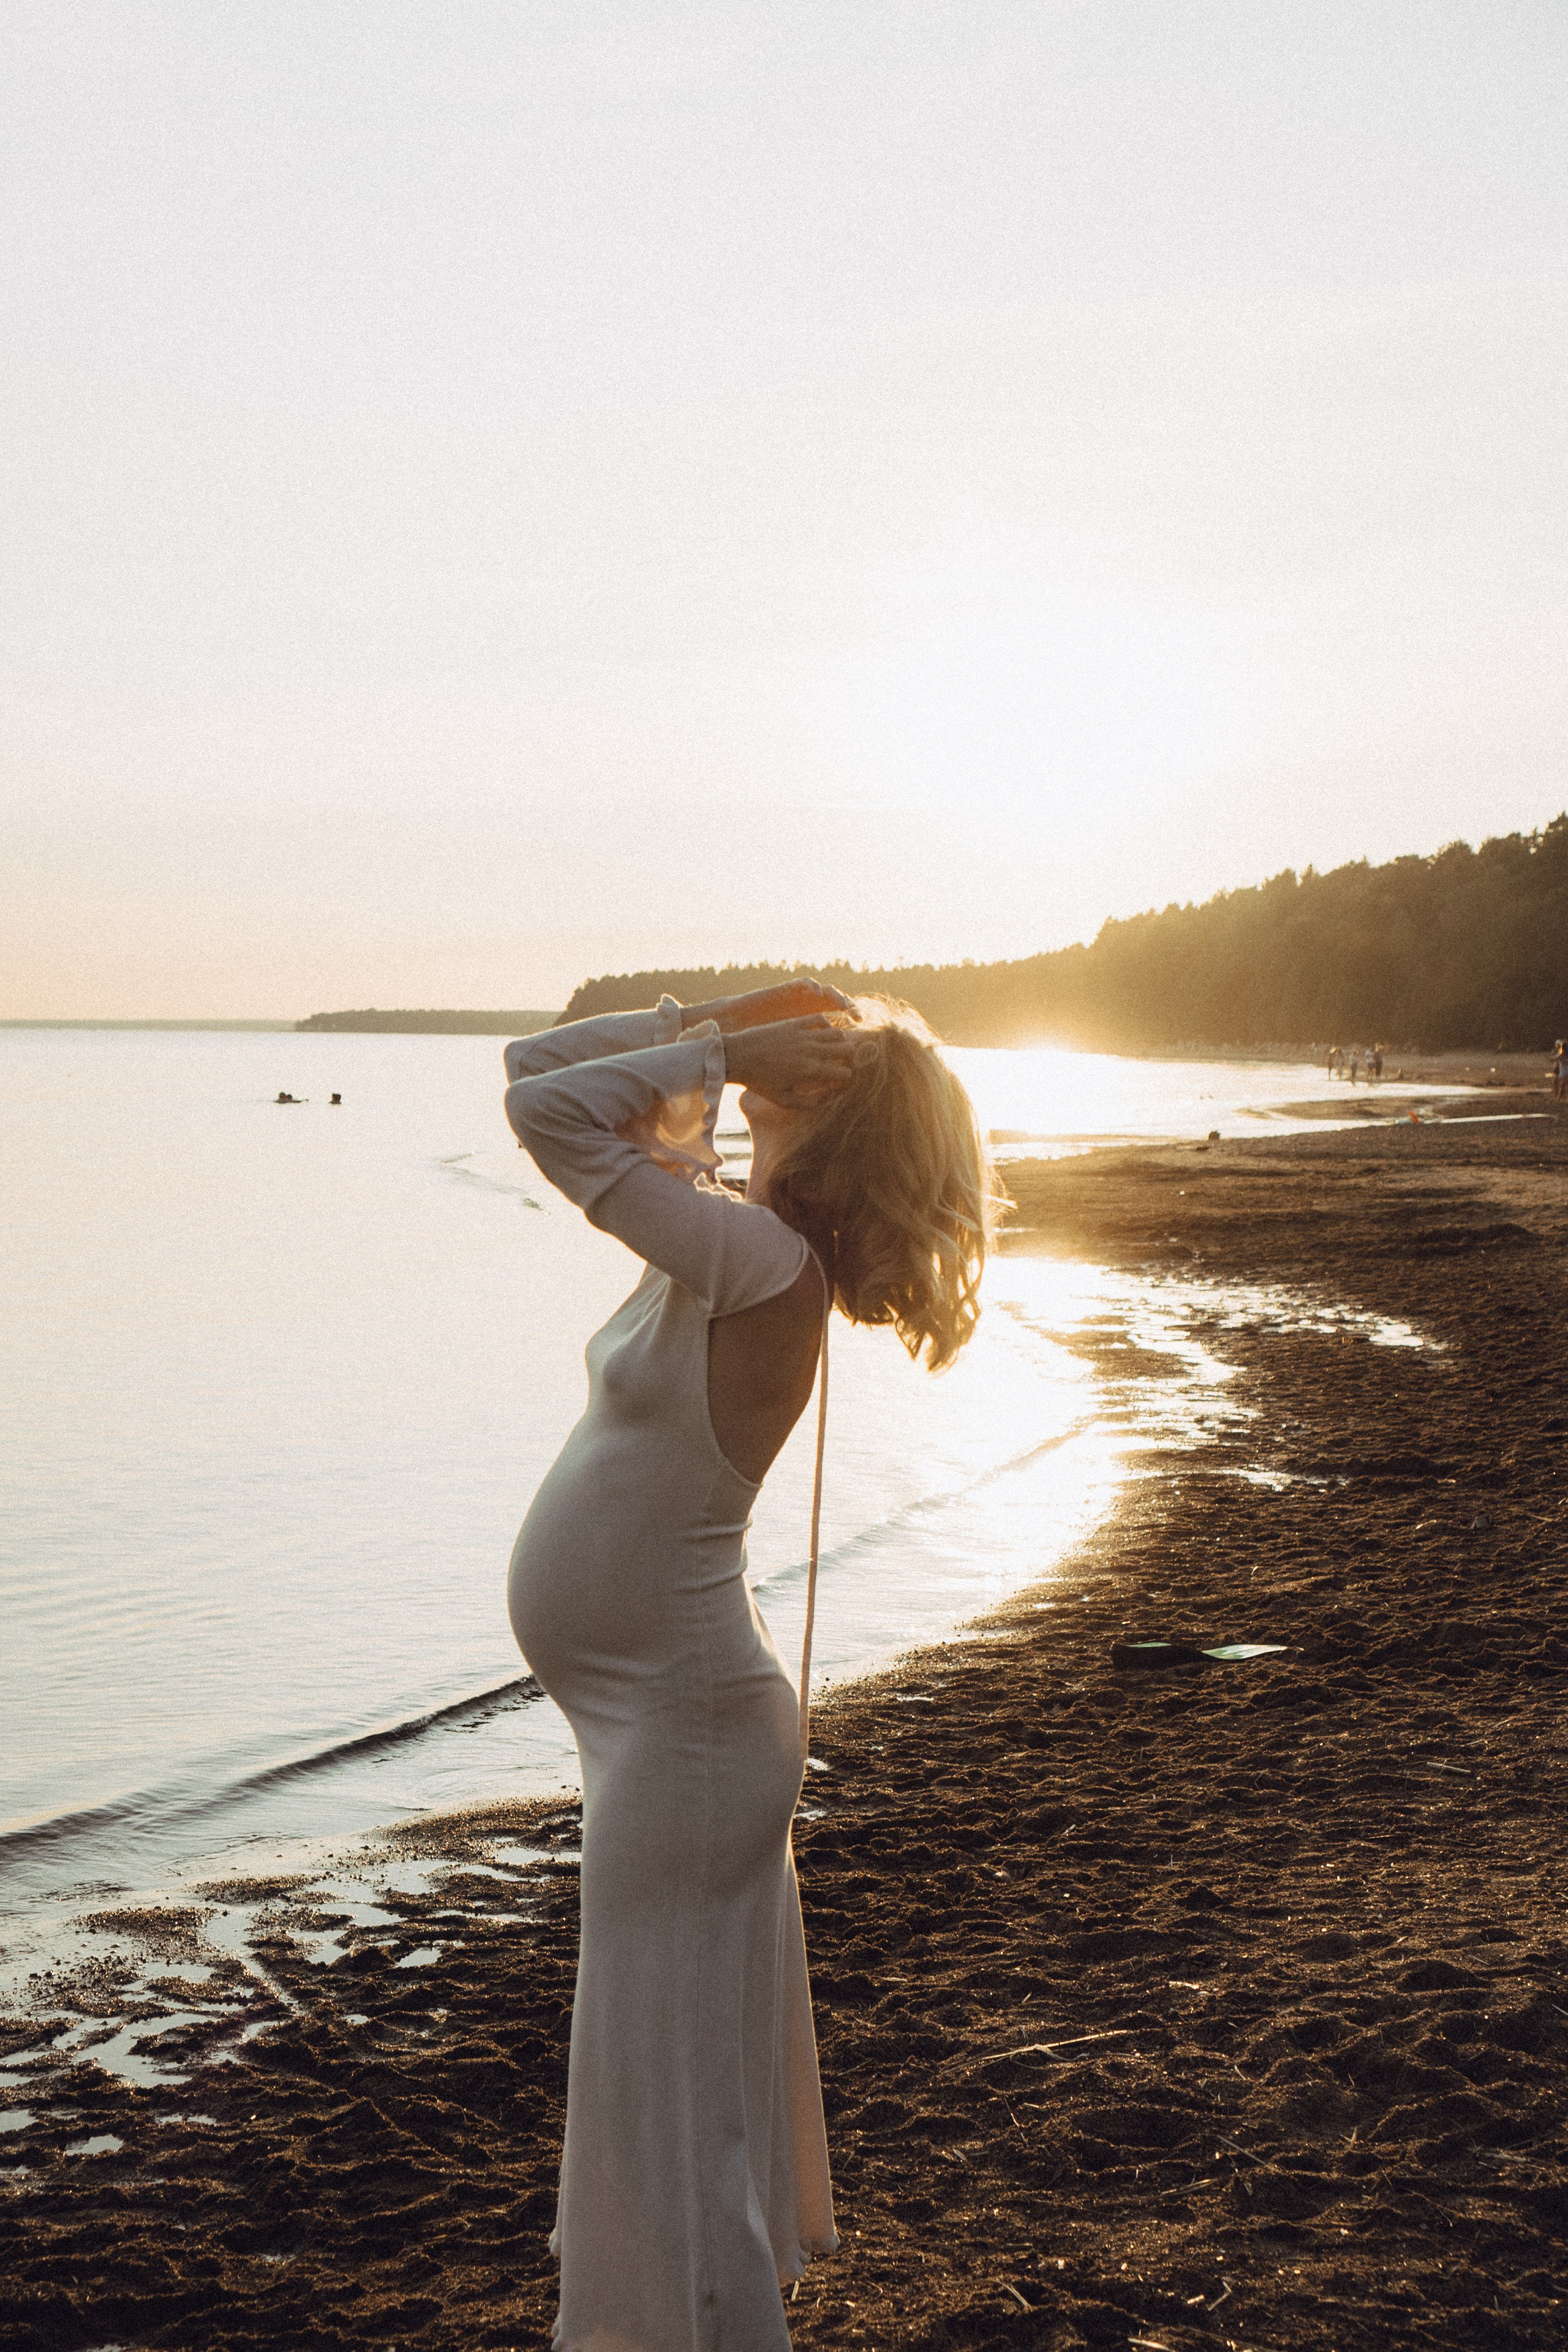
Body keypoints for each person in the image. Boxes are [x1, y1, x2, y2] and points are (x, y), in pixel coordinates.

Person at [502, 979, 999, 2352]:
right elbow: (537, 1062)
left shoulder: (760, 1262)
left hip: (687, 1725)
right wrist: (723, 1018)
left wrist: (721, 1049)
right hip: (661, 1720)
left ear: (833, 1114)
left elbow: (542, 1112)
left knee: (672, 2113)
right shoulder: (729, 1233)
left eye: (808, 1068)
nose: (770, 1078)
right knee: (664, 2096)